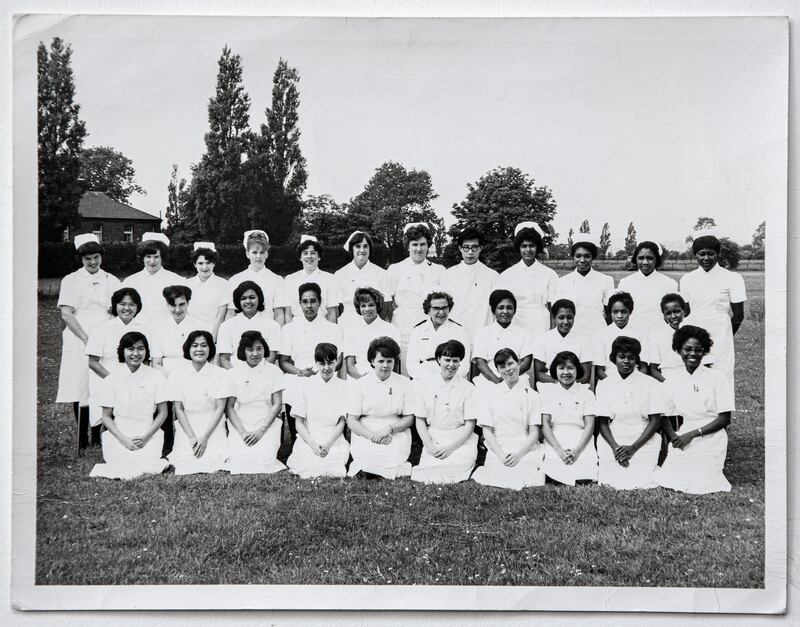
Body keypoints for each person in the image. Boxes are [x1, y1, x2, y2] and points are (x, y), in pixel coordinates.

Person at [56, 233, 121, 450]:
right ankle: (82, 437)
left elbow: (120, 309)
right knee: (80, 383)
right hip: (79, 338)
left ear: (101, 256)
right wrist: (85, 338)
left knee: (103, 383)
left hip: (106, 338)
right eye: (87, 259)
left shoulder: (112, 280)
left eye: (95, 257)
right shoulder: (71, 280)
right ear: (81, 260)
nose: (92, 262)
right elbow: (66, 313)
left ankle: (98, 432)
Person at [653, 325, 734, 494]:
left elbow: (724, 419)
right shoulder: (672, 379)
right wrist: (674, 437)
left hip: (711, 435)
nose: (692, 354)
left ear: (704, 352)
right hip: (684, 434)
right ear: (678, 350)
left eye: (698, 350)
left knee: (702, 483)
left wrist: (692, 434)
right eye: (687, 349)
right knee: (671, 479)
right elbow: (663, 414)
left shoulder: (717, 378)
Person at [89, 332, 170, 479]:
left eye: (140, 348)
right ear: (122, 351)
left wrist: (145, 437)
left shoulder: (156, 376)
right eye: (130, 349)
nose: (136, 353)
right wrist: (124, 439)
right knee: (119, 465)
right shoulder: (112, 378)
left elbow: (163, 412)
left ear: (146, 351)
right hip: (120, 434)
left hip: (148, 433)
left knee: (148, 464)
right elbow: (106, 417)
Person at [595, 337, 666, 490]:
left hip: (642, 437)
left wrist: (633, 448)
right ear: (614, 358)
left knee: (642, 479)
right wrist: (615, 448)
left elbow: (655, 421)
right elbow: (602, 422)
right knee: (610, 481)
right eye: (622, 357)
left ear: (637, 360)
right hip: (613, 436)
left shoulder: (650, 383)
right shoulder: (604, 385)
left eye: (631, 358)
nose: (626, 361)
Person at [150, 284, 211, 457]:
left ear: (188, 303)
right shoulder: (159, 328)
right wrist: (171, 376)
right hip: (167, 373)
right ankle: (167, 443)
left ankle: (193, 439)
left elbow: (205, 355)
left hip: (194, 369)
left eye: (182, 304)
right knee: (165, 399)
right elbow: (156, 363)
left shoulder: (199, 326)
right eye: (172, 305)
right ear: (167, 305)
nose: (177, 310)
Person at [679, 229, 746, 386]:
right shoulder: (687, 279)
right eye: (702, 254)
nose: (706, 258)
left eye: (711, 253)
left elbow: (738, 315)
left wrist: (725, 334)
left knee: (722, 376)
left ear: (718, 254)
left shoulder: (732, 278)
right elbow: (686, 311)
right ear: (695, 255)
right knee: (696, 377)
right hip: (694, 333)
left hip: (721, 334)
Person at [471, 349, 545, 490]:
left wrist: (518, 455)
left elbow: (534, 432)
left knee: (531, 475)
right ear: (498, 370)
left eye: (510, 364)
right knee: (497, 471)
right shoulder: (490, 395)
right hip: (499, 449)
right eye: (502, 366)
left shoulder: (533, 396)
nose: (508, 369)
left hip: (525, 450)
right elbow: (487, 431)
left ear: (518, 363)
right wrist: (500, 454)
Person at [346, 337, 415, 479]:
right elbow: (352, 421)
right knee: (368, 455)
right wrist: (373, 437)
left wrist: (388, 429)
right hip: (367, 429)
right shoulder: (360, 384)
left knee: (391, 455)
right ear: (372, 361)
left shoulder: (404, 383)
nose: (385, 365)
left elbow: (409, 418)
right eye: (381, 361)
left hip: (394, 429)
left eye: (389, 361)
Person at [411, 340, 479, 484]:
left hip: (460, 439)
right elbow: (420, 420)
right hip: (434, 437)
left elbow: (470, 425)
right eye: (447, 360)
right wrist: (429, 444)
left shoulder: (468, 388)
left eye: (455, 360)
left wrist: (451, 448)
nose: (451, 365)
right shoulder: (425, 386)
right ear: (438, 360)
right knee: (429, 468)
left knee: (457, 464)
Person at [224, 331, 286, 475]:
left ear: (264, 349)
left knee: (264, 460)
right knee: (240, 460)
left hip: (266, 420)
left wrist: (260, 431)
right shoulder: (233, 373)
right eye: (250, 349)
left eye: (259, 348)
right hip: (241, 421)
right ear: (243, 351)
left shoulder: (274, 371)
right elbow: (230, 408)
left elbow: (277, 405)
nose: (255, 353)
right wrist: (242, 432)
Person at [85, 287, 148, 427]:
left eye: (132, 304)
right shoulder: (101, 329)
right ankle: (103, 429)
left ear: (138, 307)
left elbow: (147, 360)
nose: (127, 308)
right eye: (122, 304)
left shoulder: (145, 329)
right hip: (107, 378)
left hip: (137, 378)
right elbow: (93, 363)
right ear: (115, 306)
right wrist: (114, 380)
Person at [387, 222, 445, 374]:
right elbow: (387, 303)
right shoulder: (395, 269)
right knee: (404, 376)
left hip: (430, 330)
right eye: (414, 244)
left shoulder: (439, 271)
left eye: (422, 244)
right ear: (407, 246)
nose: (418, 249)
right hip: (402, 329)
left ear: (428, 246)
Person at [168, 330, 229, 475]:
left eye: (204, 345)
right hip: (188, 424)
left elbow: (220, 408)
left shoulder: (221, 374)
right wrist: (191, 437)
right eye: (195, 346)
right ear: (188, 349)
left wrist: (205, 437)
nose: (199, 350)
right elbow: (179, 409)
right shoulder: (177, 374)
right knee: (185, 460)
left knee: (214, 459)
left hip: (212, 424)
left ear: (210, 349)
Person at [286, 343, 350, 478]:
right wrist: (314, 446)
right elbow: (299, 423)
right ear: (315, 363)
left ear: (336, 362)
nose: (326, 368)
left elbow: (341, 422)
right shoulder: (304, 385)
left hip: (333, 439)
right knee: (306, 459)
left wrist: (328, 445)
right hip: (309, 438)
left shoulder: (344, 387)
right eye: (322, 363)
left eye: (330, 363)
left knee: (334, 465)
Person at [540, 351, 598, 485]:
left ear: (577, 370)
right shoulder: (548, 393)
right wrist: (559, 451)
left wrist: (577, 451)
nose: (566, 372)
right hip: (555, 438)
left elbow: (590, 425)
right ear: (555, 370)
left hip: (581, 438)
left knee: (584, 474)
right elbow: (545, 424)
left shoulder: (587, 394)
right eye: (561, 368)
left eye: (570, 368)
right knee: (554, 472)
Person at [497, 222, 558, 339]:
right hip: (515, 326)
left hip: (541, 327)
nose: (528, 250)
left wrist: (553, 335)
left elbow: (553, 309)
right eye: (524, 246)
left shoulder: (549, 274)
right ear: (519, 248)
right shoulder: (507, 275)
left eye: (532, 246)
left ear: (537, 247)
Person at [443, 226, 499, 343]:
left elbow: (496, 309)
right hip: (455, 337)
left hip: (484, 337)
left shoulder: (492, 276)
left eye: (474, 247)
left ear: (480, 248)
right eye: (466, 247)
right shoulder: (448, 275)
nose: (470, 252)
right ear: (460, 248)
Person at [555, 232, 615, 337]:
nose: (582, 260)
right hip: (572, 334)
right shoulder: (562, 282)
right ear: (573, 257)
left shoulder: (606, 280)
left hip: (598, 333)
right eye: (578, 256)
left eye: (587, 256)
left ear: (593, 258)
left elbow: (609, 314)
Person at [121, 232, 185, 327]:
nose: (152, 261)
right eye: (148, 257)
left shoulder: (176, 281)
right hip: (137, 332)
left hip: (167, 331)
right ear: (142, 258)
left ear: (162, 258)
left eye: (156, 257)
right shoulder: (130, 282)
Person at [333, 230, 392, 331]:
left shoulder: (381, 273)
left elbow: (387, 304)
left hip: (374, 326)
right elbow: (338, 307)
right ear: (351, 249)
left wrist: (374, 324)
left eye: (365, 246)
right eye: (358, 246)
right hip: (348, 326)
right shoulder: (340, 274)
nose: (362, 250)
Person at [472, 289, 533, 385]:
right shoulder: (483, 333)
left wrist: (510, 377)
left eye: (509, 308)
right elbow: (480, 362)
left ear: (515, 310)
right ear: (493, 310)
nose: (505, 311)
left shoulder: (523, 333)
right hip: (490, 379)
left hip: (517, 377)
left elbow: (527, 361)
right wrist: (496, 381)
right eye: (500, 308)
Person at [226, 229, 286, 325]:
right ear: (247, 254)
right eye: (254, 252)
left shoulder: (277, 280)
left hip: (267, 333)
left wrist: (276, 337)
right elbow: (231, 313)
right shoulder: (235, 280)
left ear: (267, 254)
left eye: (262, 252)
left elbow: (279, 314)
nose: (258, 256)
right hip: (240, 331)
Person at [406, 292, 470, 381]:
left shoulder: (459, 330)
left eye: (445, 308)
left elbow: (464, 364)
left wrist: (447, 378)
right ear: (428, 310)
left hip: (452, 375)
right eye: (436, 308)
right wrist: (428, 378)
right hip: (424, 376)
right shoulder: (418, 330)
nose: (441, 312)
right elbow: (411, 364)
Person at [617, 240, 679, 333]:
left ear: (656, 260)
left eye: (650, 258)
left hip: (660, 333)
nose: (645, 262)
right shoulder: (625, 283)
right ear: (635, 259)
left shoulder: (669, 283)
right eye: (641, 258)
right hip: (632, 333)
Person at [217, 280, 282, 368]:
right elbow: (224, 359)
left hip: (263, 374)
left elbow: (271, 357)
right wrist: (237, 376)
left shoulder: (273, 325)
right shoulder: (226, 326)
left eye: (252, 297)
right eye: (243, 298)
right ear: (238, 301)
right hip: (235, 375)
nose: (248, 301)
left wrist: (258, 375)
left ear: (259, 298)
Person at [594, 291, 656, 380]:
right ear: (610, 312)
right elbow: (599, 370)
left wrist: (633, 382)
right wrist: (614, 384)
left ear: (630, 312)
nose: (619, 316)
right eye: (615, 312)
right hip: (609, 379)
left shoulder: (641, 334)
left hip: (635, 379)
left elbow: (643, 367)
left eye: (624, 312)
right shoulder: (601, 335)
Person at [343, 287, 402, 379]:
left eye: (371, 305)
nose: (367, 309)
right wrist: (363, 381)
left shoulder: (391, 330)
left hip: (385, 379)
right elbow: (350, 365)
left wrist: (380, 380)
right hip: (358, 380)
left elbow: (394, 363)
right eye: (363, 306)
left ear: (377, 306)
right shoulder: (351, 331)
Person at [531, 299, 593, 386]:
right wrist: (559, 385)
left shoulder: (584, 341)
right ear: (553, 318)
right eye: (561, 317)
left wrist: (569, 386)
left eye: (569, 317)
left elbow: (586, 376)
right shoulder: (542, 339)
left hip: (576, 387)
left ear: (574, 317)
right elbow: (539, 373)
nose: (566, 322)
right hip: (551, 385)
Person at [283, 235, 338, 324]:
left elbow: (331, 312)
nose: (309, 256)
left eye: (313, 253)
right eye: (305, 253)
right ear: (300, 258)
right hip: (297, 327)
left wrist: (330, 334)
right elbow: (288, 313)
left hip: (322, 326)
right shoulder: (290, 279)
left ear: (319, 257)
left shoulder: (329, 279)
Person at [185, 242, 229, 341]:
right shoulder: (187, 284)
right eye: (200, 263)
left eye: (208, 262)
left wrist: (212, 340)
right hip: (190, 335)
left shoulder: (223, 284)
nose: (204, 267)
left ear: (214, 263)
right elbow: (186, 314)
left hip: (214, 334)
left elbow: (220, 317)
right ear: (194, 264)